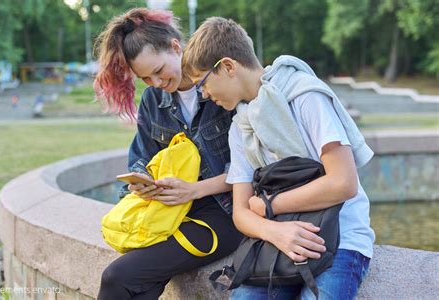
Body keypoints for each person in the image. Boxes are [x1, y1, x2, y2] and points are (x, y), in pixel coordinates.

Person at [183, 17, 375, 300]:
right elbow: (241, 212)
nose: (204, 94)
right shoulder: (241, 126)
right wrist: (276, 231)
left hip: (339, 238)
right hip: (276, 240)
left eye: (202, 83)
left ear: (227, 67)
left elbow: (344, 183)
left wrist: (270, 205)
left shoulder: (304, 95)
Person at [93, 9, 243, 300]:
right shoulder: (153, 100)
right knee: (138, 284)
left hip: (224, 214)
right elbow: (142, 155)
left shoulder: (222, 88)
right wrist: (142, 181)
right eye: (146, 79)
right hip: (172, 211)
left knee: (117, 277)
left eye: (159, 71)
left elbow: (252, 167)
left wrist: (194, 190)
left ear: (176, 47)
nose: (157, 83)